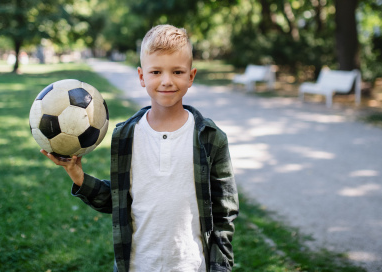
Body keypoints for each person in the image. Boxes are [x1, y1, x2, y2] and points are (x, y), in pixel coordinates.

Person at [41, 24, 239, 272]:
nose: (167, 81)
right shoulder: (126, 136)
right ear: (141, 76)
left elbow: (224, 214)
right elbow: (118, 201)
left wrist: (221, 267)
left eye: (177, 71)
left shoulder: (211, 138)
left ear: (191, 76)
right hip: (137, 265)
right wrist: (79, 177)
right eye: (156, 71)